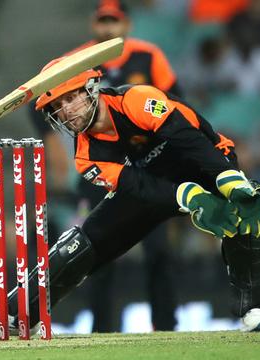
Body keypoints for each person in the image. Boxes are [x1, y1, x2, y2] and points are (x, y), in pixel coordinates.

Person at [0, 63, 260, 338]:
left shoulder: (136, 99)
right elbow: (138, 187)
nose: (67, 111)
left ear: (91, 90)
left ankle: (256, 310)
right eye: (59, 106)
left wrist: (228, 180)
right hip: (153, 184)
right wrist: (187, 196)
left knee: (246, 209)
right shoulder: (87, 158)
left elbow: (190, 139)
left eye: (71, 98)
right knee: (79, 244)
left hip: (201, 161)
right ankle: (17, 315)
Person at [28, 0, 182, 332]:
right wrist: (53, 145)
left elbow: (176, 105)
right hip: (98, 172)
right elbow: (36, 105)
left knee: (158, 252)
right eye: (102, 22)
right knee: (94, 253)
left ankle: (166, 329)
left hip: (148, 169)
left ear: (126, 25)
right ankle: (100, 330)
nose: (107, 29)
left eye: (114, 21)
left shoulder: (148, 56)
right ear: (93, 24)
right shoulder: (77, 62)